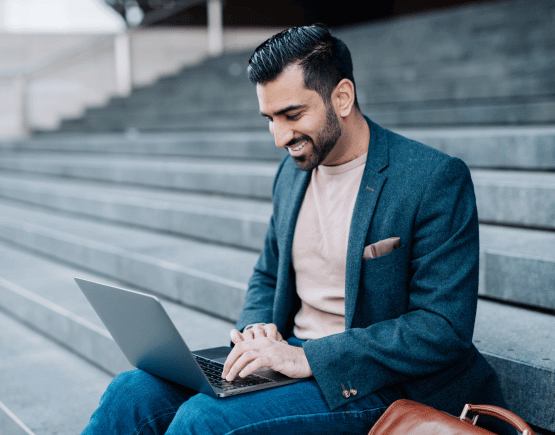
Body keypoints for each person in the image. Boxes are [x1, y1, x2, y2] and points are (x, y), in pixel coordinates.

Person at [81, 24, 507, 435]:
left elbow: (442, 329)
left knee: (204, 419)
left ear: (342, 97)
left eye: (292, 114)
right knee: (131, 392)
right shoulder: (291, 174)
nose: (279, 137)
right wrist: (256, 330)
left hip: (376, 381)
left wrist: (311, 359)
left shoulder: (433, 179)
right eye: (269, 118)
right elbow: (268, 274)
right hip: (288, 356)